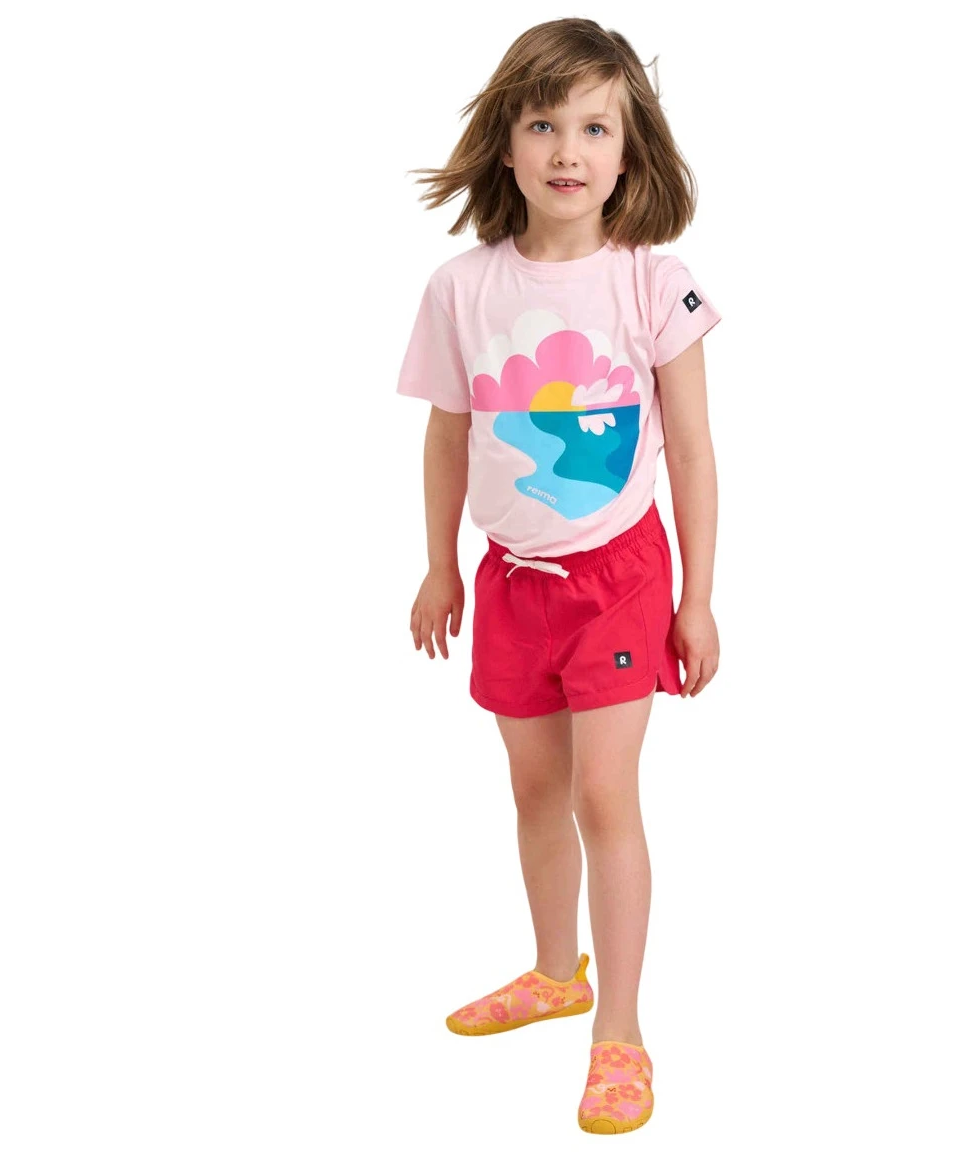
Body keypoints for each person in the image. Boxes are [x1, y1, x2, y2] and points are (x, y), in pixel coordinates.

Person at [394, 18, 721, 1135]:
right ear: (507, 143)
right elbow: (447, 435)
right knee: (534, 790)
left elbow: (692, 450)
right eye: (542, 125)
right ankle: (554, 970)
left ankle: (618, 1031)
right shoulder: (461, 287)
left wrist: (696, 596)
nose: (567, 149)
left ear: (629, 154)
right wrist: (438, 565)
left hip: (619, 577)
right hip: (511, 579)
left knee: (601, 794)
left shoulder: (653, 283)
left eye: (593, 127)